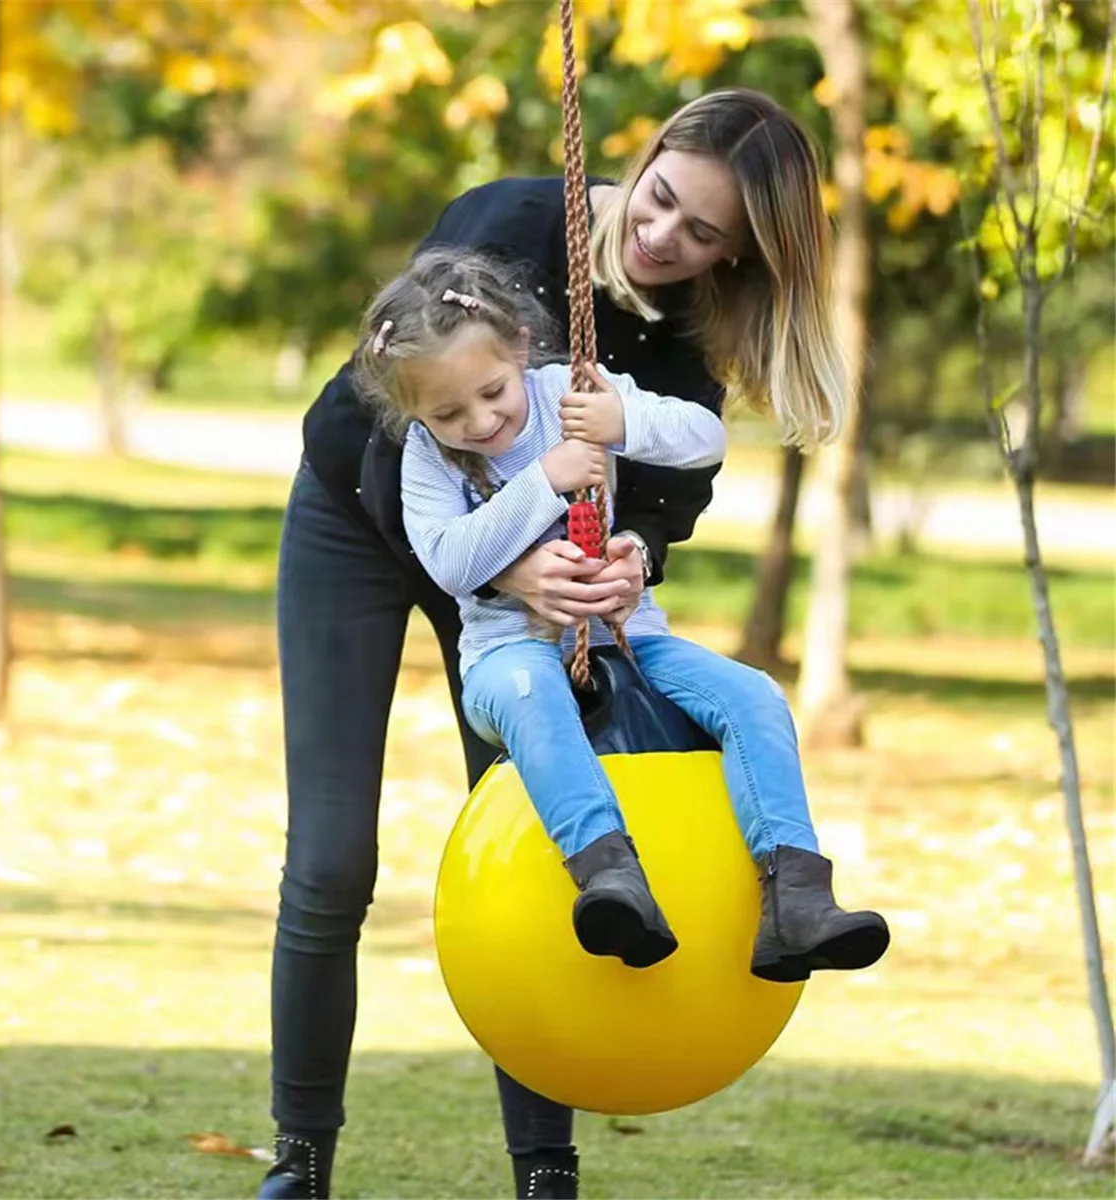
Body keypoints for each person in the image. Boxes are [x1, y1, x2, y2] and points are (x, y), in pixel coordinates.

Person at [262, 89, 862, 1200]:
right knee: (333, 858)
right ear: (649, 154)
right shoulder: (510, 224)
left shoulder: (688, 332)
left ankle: (545, 1170)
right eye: (663, 197)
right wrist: (500, 562)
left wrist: (629, 550)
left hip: (539, 601)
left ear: (736, 255)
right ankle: (300, 1158)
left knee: (552, 840)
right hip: (366, 515)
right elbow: (392, 415)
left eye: (703, 234)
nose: (663, 235)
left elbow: (676, 482)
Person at [352, 245, 890, 980]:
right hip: (508, 657)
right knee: (532, 693)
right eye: (447, 412)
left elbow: (705, 442)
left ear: (517, 347)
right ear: (413, 411)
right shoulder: (427, 458)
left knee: (754, 696)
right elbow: (449, 560)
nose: (480, 421)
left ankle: (795, 895)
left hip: (630, 635)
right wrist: (545, 479)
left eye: (493, 392)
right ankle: (610, 877)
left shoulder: (571, 394)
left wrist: (621, 422)